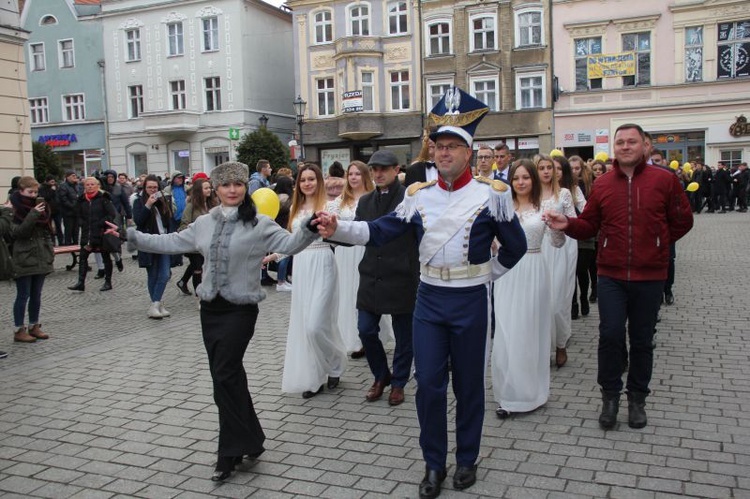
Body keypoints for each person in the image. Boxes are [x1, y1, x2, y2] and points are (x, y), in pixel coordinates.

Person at [317, 87, 527, 499]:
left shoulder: (492, 196)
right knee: (428, 384)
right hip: (428, 300)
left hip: (470, 301)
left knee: (468, 385)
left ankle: (467, 458)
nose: (444, 153)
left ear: (470, 152)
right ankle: (434, 463)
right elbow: (380, 231)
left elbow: (516, 247)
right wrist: (337, 228)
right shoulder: (418, 198)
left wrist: (485, 276)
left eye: (453, 146)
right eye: (438, 146)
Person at [121, 161, 322, 481]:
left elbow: (288, 245)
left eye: (238, 185)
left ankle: (228, 452)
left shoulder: (259, 223)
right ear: (215, 189)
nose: (232, 190)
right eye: (226, 185)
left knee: (224, 377)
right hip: (210, 310)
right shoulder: (204, 222)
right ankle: (252, 439)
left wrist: (310, 228)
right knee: (228, 376)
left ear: (245, 188)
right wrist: (132, 236)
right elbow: (171, 242)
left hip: (240, 310)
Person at [544, 123, 693, 431]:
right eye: (620, 142)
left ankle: (637, 398)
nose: (625, 146)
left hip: (649, 275)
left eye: (632, 142)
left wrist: (657, 244)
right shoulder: (603, 184)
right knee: (610, 336)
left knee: (641, 340)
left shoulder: (664, 181)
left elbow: (683, 221)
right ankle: (610, 397)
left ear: (645, 146)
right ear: (614, 148)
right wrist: (567, 224)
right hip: (610, 273)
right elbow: (589, 225)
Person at [492, 160, 564, 418]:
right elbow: (491, 243)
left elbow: (557, 242)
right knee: (506, 330)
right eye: (516, 178)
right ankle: (508, 391)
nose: (521, 182)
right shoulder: (500, 208)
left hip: (534, 271)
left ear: (533, 180)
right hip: (506, 274)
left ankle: (529, 394)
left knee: (529, 330)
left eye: (525, 177)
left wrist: (556, 225)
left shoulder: (544, 207)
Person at [351, 151, 418, 406]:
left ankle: (399, 382)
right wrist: (331, 233)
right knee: (366, 330)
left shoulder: (410, 198)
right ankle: (381, 375)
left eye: (383, 169)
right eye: (374, 169)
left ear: (396, 169)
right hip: (371, 275)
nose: (378, 173)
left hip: (402, 274)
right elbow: (358, 232)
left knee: (404, 337)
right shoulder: (366, 201)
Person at [280, 164, 347, 399]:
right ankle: (315, 375)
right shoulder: (294, 208)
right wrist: (274, 255)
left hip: (323, 262)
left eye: (311, 179)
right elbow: (291, 241)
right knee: (305, 323)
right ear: (298, 184)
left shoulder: (329, 206)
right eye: (303, 180)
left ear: (319, 181)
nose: (307, 183)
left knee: (317, 324)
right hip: (302, 265)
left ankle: (336, 359)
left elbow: (341, 234)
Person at [325, 160, 377, 357]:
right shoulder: (340, 200)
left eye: (357, 174)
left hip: (364, 250)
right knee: (345, 292)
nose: (353, 177)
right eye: (350, 174)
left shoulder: (372, 198)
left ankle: (365, 337)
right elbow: (332, 219)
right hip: (344, 252)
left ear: (365, 176)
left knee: (361, 292)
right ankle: (349, 337)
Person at [537, 154, 578, 368]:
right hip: (536, 250)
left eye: (549, 168)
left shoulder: (563, 194)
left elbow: (574, 221)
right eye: (541, 168)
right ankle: (543, 347)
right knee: (539, 303)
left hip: (559, 248)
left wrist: (559, 221)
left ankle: (561, 344)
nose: (545, 171)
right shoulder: (531, 195)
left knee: (557, 302)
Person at [9, 177, 55, 343]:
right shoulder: (14, 209)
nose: (33, 195)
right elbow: (19, 232)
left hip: (41, 255)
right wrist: (34, 213)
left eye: (35, 192)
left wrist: (50, 251)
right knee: (23, 295)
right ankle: (19, 329)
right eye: (30, 192)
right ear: (21, 191)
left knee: (36, 295)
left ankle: (34, 325)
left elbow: (48, 231)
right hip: (24, 256)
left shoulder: (41, 207)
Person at [133, 175, 175, 319]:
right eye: (150, 187)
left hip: (163, 241)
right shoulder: (139, 202)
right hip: (148, 242)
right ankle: (156, 304)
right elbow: (139, 221)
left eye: (155, 188)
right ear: (145, 188)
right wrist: (148, 205)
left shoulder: (163, 201)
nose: (152, 190)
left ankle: (155, 304)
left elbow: (169, 220)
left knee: (164, 274)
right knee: (153, 274)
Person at [67, 177, 118, 292]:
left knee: (106, 258)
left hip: (101, 233)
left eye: (92, 184)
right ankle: (81, 282)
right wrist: (81, 223)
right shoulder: (81, 199)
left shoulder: (103, 198)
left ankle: (108, 282)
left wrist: (101, 223)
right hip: (87, 233)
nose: (90, 186)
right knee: (83, 257)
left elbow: (111, 214)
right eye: (87, 184)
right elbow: (78, 214)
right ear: (84, 186)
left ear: (97, 186)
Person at [176, 178, 217, 296]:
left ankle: (183, 281)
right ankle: (199, 297)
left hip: (209, 244)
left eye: (209, 187)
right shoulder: (191, 206)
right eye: (206, 188)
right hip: (195, 245)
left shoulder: (213, 204)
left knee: (204, 268)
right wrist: (195, 230)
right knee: (198, 269)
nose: (209, 190)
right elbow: (184, 223)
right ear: (199, 190)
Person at [38, 175, 63, 246]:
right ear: (47, 181)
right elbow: (45, 197)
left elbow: (59, 197)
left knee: (59, 226)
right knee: (50, 227)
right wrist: (52, 191)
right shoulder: (42, 188)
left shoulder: (56, 187)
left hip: (57, 210)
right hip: (48, 210)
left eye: (54, 181)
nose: (53, 183)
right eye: (51, 181)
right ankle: (52, 242)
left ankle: (61, 242)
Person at [58, 170, 81, 245]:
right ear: (67, 177)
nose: (75, 177)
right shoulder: (63, 186)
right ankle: (68, 245)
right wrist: (72, 206)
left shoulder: (76, 186)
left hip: (77, 212)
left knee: (76, 230)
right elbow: (63, 199)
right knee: (69, 230)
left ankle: (76, 244)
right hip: (68, 212)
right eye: (72, 176)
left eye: (75, 176)